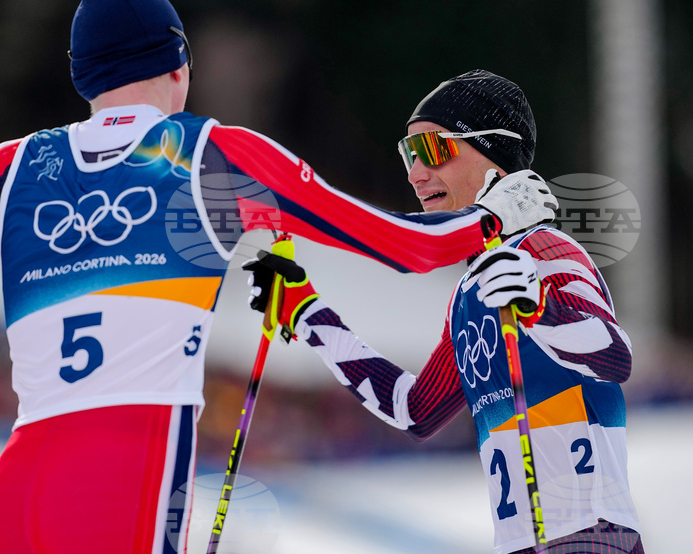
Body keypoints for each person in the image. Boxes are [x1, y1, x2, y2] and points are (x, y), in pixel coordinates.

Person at [0, 0, 556, 554]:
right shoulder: (212, 156)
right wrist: (499, 215)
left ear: (85, 78)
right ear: (177, 66)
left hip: (19, 489)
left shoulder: (8, 170)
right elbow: (404, 246)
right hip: (126, 469)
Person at [244, 70, 643, 554]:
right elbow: (416, 410)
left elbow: (615, 357)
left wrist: (540, 305)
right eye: (408, 155)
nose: (415, 173)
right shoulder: (468, 292)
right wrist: (307, 314)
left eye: (433, 150)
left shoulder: (544, 249)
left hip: (591, 536)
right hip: (520, 543)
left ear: (494, 154)